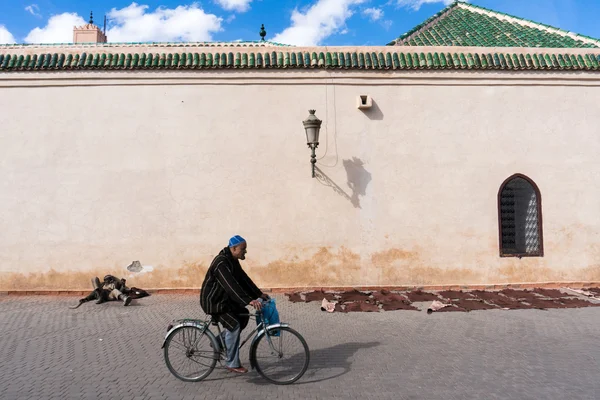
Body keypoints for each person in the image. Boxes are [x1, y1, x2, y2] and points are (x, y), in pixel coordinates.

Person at [200, 235, 269, 374]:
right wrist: (248, 300)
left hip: (225, 301)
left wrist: (258, 294)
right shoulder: (221, 263)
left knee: (243, 317)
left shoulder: (232, 260)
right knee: (234, 325)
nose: (245, 252)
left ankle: (218, 343)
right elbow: (231, 286)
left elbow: (243, 279)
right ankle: (232, 363)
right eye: (243, 249)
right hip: (214, 303)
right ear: (234, 248)